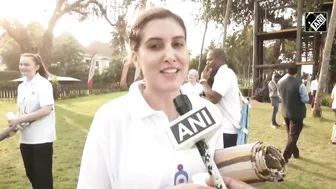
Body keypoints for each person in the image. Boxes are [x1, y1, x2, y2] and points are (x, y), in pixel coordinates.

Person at [77, 8, 253, 189]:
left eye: (178, 44)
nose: (170, 56)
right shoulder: (110, 119)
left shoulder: (210, 112)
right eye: (155, 46)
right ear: (136, 57)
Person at [6, 53, 56, 189]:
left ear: (37, 66)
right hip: (26, 139)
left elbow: (46, 110)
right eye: (21, 64)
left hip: (42, 139)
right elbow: (22, 112)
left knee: (42, 179)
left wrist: (19, 120)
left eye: (26, 64)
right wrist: (14, 127)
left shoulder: (44, 84)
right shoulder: (21, 86)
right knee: (31, 175)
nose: (23, 67)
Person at [200, 48, 241, 149]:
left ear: (219, 59)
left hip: (227, 128)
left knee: (224, 163)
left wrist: (203, 80)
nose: (207, 63)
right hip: (225, 127)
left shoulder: (224, 73)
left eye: (210, 59)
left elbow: (214, 98)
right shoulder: (223, 73)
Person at [278, 64, 309, 163]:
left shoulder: (281, 83)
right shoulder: (300, 84)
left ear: (287, 71)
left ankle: (295, 152)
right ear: (296, 73)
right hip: (297, 113)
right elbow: (305, 99)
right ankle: (285, 156)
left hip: (285, 111)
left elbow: (280, 95)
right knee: (293, 135)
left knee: (290, 135)